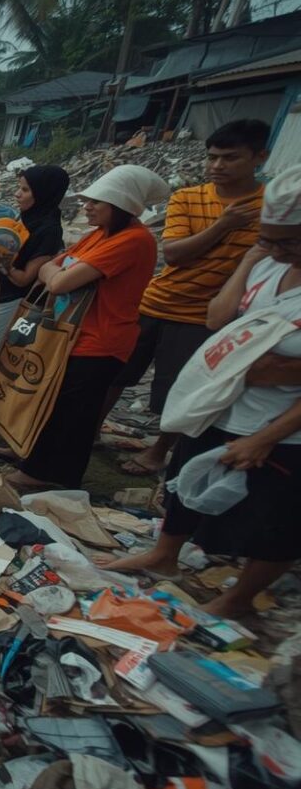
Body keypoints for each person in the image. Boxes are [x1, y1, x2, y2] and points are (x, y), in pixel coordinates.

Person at [96, 163, 301, 619]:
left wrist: (264, 437)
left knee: (275, 517)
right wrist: (253, 257)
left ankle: (239, 597)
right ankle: (163, 554)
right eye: (267, 237)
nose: (273, 248)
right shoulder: (266, 265)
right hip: (222, 404)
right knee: (183, 482)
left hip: (281, 427)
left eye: (285, 241)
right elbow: (216, 319)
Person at [107, 120, 270, 477]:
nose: (218, 166)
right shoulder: (188, 197)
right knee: (115, 373)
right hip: (157, 302)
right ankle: (89, 430)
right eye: (213, 158)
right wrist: (223, 225)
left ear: (260, 157)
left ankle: (159, 450)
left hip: (207, 316)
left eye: (230, 158)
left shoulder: (270, 207)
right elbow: (176, 253)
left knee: (181, 389)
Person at [6, 164, 171, 490]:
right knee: (53, 401)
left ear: (121, 205)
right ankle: (33, 458)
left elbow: (59, 279)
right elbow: (56, 265)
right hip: (74, 333)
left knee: (73, 413)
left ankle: (49, 474)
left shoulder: (133, 240)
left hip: (101, 339)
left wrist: (57, 275)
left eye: (97, 202)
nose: (88, 207)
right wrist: (58, 274)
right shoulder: (100, 235)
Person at [0, 164, 71, 392]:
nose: (17, 194)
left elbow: (25, 279)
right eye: (18, 188)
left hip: (12, 300)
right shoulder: (25, 218)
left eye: (24, 190)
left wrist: (0, 261)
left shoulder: (48, 230)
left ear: (43, 194)